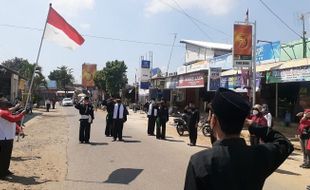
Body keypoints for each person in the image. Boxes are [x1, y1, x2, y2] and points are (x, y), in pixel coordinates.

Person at [184, 88, 294, 190]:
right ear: (243, 123)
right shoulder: (258, 156)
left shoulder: (200, 162)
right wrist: (254, 125)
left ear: (213, 120)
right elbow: (284, 143)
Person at [0, 99, 26, 179]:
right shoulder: (2, 112)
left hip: (8, 137)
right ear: (2, 105)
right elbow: (13, 119)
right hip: (3, 138)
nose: (9, 106)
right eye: (7, 105)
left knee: (7, 156)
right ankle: (2, 174)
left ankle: (5, 170)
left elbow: (13, 123)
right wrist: (21, 114)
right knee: (3, 157)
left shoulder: (6, 112)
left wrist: (19, 130)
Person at [296, 96, 310, 169]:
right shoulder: (305, 111)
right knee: (303, 149)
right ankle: (305, 161)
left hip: (307, 134)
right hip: (301, 133)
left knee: (307, 150)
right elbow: (301, 122)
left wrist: (304, 117)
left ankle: (308, 162)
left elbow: (303, 120)